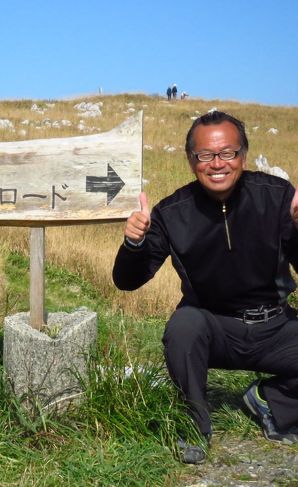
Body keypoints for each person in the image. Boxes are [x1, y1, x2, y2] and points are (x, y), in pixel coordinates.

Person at [112, 111, 298, 464]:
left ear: (243, 154)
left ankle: (271, 401)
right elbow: (127, 281)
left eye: (227, 153)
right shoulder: (172, 212)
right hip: (214, 328)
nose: (217, 164)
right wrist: (133, 243)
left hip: (275, 325)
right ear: (191, 160)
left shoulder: (276, 198)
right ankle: (193, 425)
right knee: (184, 326)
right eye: (205, 155)